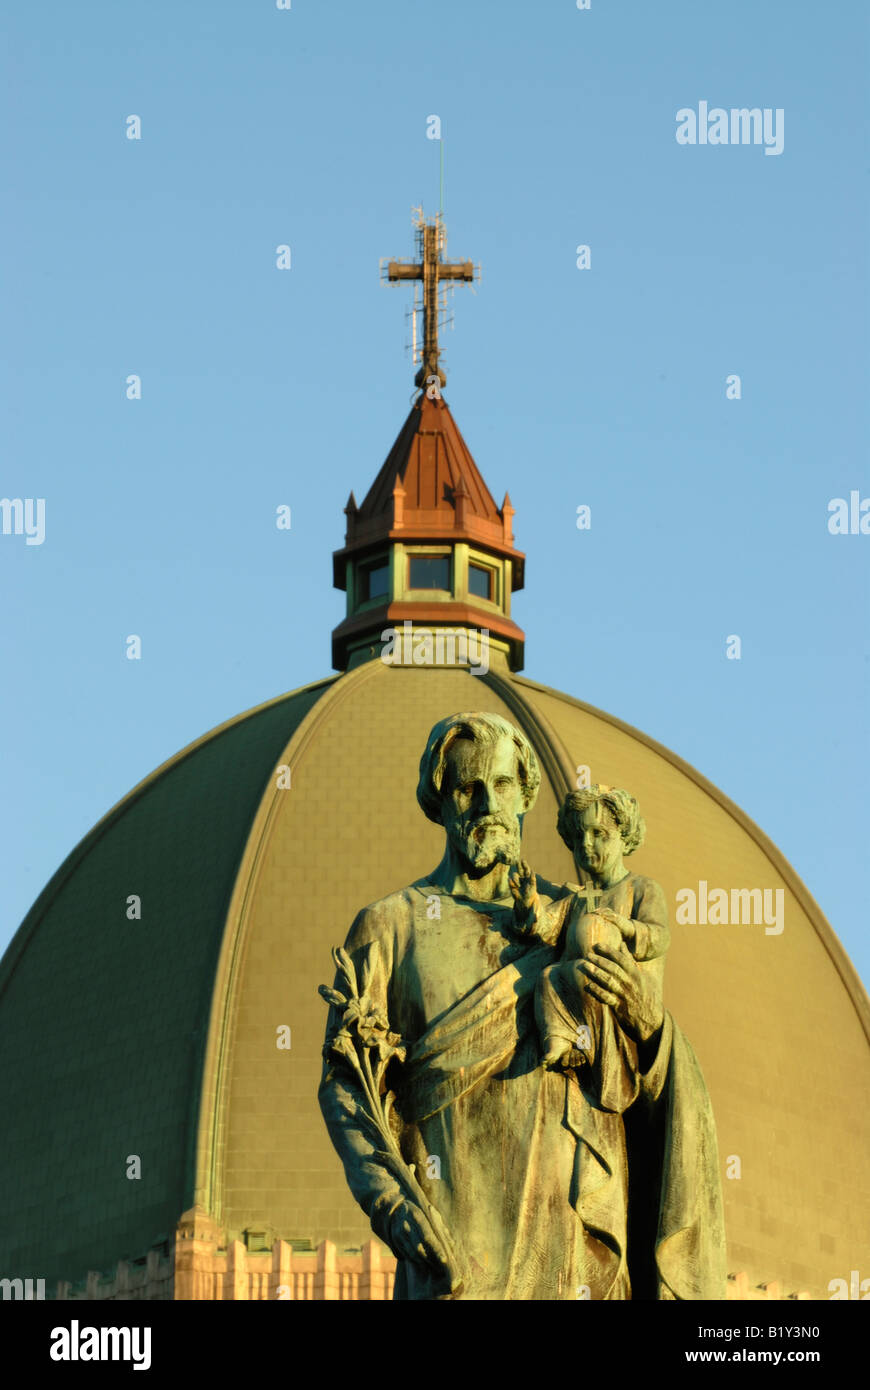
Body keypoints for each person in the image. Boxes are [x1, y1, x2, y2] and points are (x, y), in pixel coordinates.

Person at [318, 711, 725, 1300]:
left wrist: (651, 1025)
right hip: (456, 1251)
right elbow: (346, 1085)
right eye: (468, 788)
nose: (488, 804)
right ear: (440, 801)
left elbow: (649, 1085)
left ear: (526, 797)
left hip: (575, 1257)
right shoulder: (391, 929)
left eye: (503, 786)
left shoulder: (581, 921)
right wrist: (395, 1205)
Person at [509, 785, 670, 1074]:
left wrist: (627, 927)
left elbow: (659, 936)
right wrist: (528, 902)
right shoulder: (579, 897)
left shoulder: (641, 889)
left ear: (624, 837)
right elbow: (547, 927)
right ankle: (560, 1040)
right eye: (579, 835)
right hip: (571, 978)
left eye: (598, 834)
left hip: (611, 985)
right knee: (547, 978)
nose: (586, 843)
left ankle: (594, 1048)